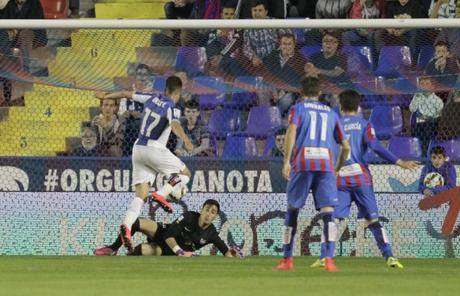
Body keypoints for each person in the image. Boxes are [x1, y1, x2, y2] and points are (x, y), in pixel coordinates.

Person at [311, 90, 418, 269]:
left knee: (333, 220)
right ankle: (389, 256)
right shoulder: (364, 124)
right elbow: (375, 146)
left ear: (340, 107)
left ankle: (325, 257)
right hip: (361, 179)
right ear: (358, 106)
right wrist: (399, 161)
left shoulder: (333, 126)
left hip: (339, 180)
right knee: (373, 220)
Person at [97, 76, 195, 253]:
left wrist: (106, 96)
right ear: (178, 92)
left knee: (140, 196)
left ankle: (126, 228)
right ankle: (161, 194)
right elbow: (174, 125)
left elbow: (126, 93)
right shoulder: (173, 108)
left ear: (166, 89)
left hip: (138, 149)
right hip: (154, 148)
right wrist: (187, 141)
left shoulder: (150, 98)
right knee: (185, 174)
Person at [276, 77, 350, 272]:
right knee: (328, 212)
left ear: (301, 93)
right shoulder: (332, 113)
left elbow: (291, 132)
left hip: (303, 162)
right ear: (319, 93)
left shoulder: (298, 109)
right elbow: (345, 147)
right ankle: (328, 259)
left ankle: (287, 259)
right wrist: (337, 168)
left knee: (293, 209)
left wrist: (286, 161)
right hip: (325, 164)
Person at [94, 199, 244, 258]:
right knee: (135, 223)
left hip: (167, 251)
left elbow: (226, 252)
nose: (208, 214)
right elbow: (168, 236)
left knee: (140, 251)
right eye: (207, 209)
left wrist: (235, 254)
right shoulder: (189, 217)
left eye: (213, 212)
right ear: (201, 209)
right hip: (164, 233)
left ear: (216, 216)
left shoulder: (211, 233)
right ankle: (113, 248)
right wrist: (181, 252)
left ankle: (127, 260)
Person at [409, 76, 444, 155]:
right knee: (420, 131)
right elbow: (412, 109)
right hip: (419, 123)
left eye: (427, 83)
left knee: (427, 130)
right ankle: (422, 152)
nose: (424, 86)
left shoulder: (437, 99)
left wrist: (430, 118)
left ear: (432, 86)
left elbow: (440, 112)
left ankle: (425, 153)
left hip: (432, 123)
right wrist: (416, 98)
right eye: (422, 84)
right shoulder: (417, 97)